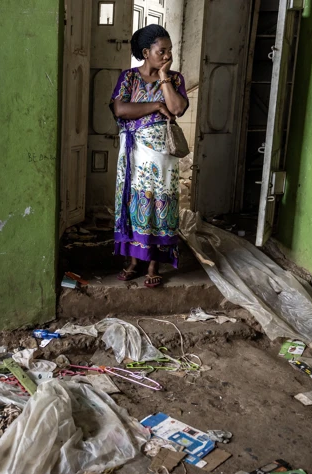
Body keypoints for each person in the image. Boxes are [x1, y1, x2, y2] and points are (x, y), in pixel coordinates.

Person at [110, 24, 188, 288]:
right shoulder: (129, 78)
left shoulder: (175, 79)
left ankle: (154, 263)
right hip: (134, 155)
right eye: (161, 51)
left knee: (160, 205)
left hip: (163, 157)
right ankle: (133, 261)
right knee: (135, 204)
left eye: (170, 51)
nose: (167, 56)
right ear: (146, 52)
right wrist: (155, 105)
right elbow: (121, 109)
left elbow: (176, 108)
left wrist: (164, 76)